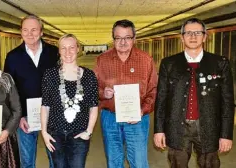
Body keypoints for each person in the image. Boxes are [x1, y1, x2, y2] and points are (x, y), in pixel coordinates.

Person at [154, 18, 235, 168]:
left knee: (210, 164)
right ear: (182, 37)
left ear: (205, 36)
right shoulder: (169, 63)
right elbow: (161, 99)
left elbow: (227, 102)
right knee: (177, 164)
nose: (193, 37)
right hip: (177, 126)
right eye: (188, 33)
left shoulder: (220, 63)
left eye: (197, 33)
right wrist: (159, 131)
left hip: (209, 126)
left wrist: (226, 134)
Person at [94, 19, 158, 168]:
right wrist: (104, 93)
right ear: (113, 39)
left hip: (138, 119)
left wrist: (142, 111)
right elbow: (93, 88)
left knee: (139, 162)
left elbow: (153, 90)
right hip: (110, 117)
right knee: (114, 162)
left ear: (134, 39)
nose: (123, 42)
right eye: (118, 38)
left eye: (127, 37)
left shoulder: (146, 60)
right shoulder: (102, 60)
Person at [4, 15, 59, 168]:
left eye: (34, 29)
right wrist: (19, 116)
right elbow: (9, 90)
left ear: (42, 32)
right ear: (21, 32)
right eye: (25, 30)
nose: (30, 34)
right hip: (26, 118)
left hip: (53, 115)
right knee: (27, 162)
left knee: (56, 159)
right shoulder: (12, 57)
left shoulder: (54, 53)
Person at [41, 34, 99, 168]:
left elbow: (94, 106)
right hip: (55, 134)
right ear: (59, 51)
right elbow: (45, 105)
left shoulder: (89, 76)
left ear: (78, 49)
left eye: (72, 47)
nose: (68, 52)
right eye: (63, 48)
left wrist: (88, 132)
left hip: (79, 134)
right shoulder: (50, 75)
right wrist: (44, 132)